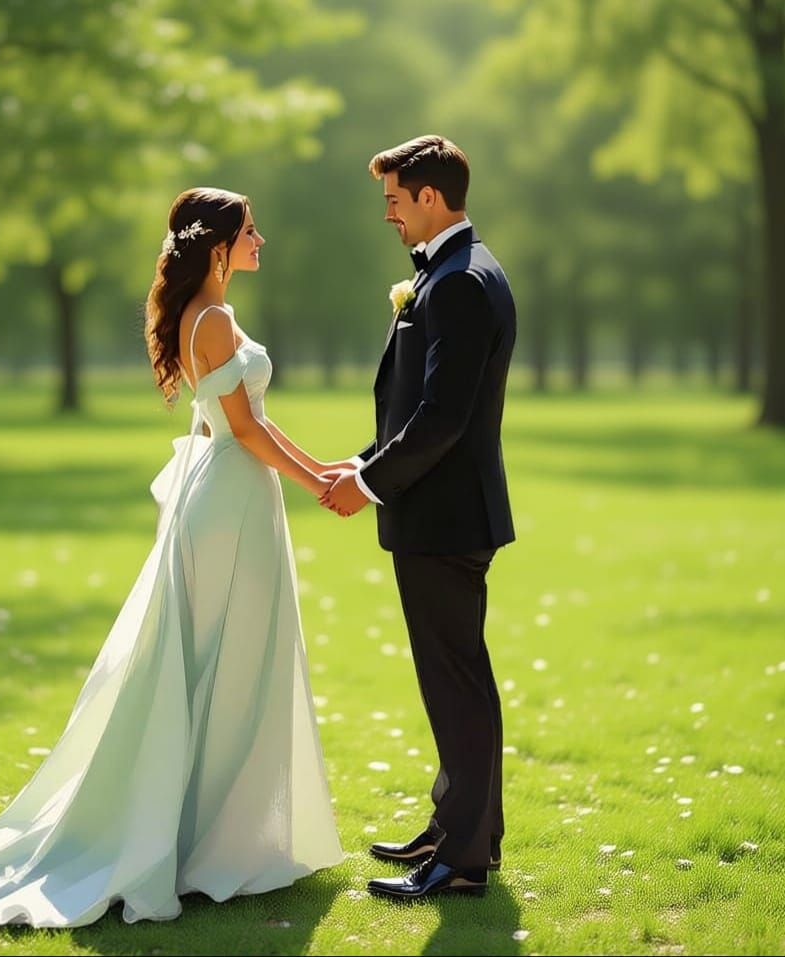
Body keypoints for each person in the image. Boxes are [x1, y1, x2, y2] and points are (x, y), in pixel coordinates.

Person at [0, 187, 345, 927]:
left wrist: (322, 467)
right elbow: (246, 431)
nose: (262, 240)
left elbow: (255, 423)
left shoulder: (211, 312)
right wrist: (319, 479)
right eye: (251, 230)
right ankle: (203, 841)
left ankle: (214, 833)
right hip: (228, 502)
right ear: (218, 245)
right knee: (223, 660)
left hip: (230, 495)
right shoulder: (213, 317)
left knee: (229, 659)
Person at [320, 135, 517, 900]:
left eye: (394, 201)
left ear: (430, 197)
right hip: (442, 513)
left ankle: (463, 861)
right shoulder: (454, 272)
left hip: (444, 518)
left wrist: (368, 485)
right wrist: (362, 461)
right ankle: (457, 828)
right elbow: (415, 407)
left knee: (456, 682)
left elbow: (441, 419)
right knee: (453, 680)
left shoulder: (460, 282)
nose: (389, 216)